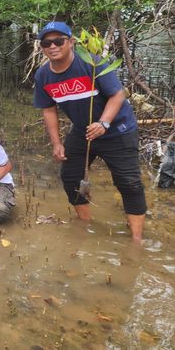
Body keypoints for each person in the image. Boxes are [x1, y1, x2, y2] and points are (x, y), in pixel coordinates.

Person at [33, 21, 145, 241]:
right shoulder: (43, 75)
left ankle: (136, 240)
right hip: (84, 131)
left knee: (129, 183)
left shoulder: (93, 65)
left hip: (117, 129)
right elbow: (48, 109)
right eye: (46, 43)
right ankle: (84, 224)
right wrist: (56, 143)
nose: (52, 46)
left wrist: (103, 123)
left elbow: (118, 95)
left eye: (58, 41)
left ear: (71, 42)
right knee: (70, 176)